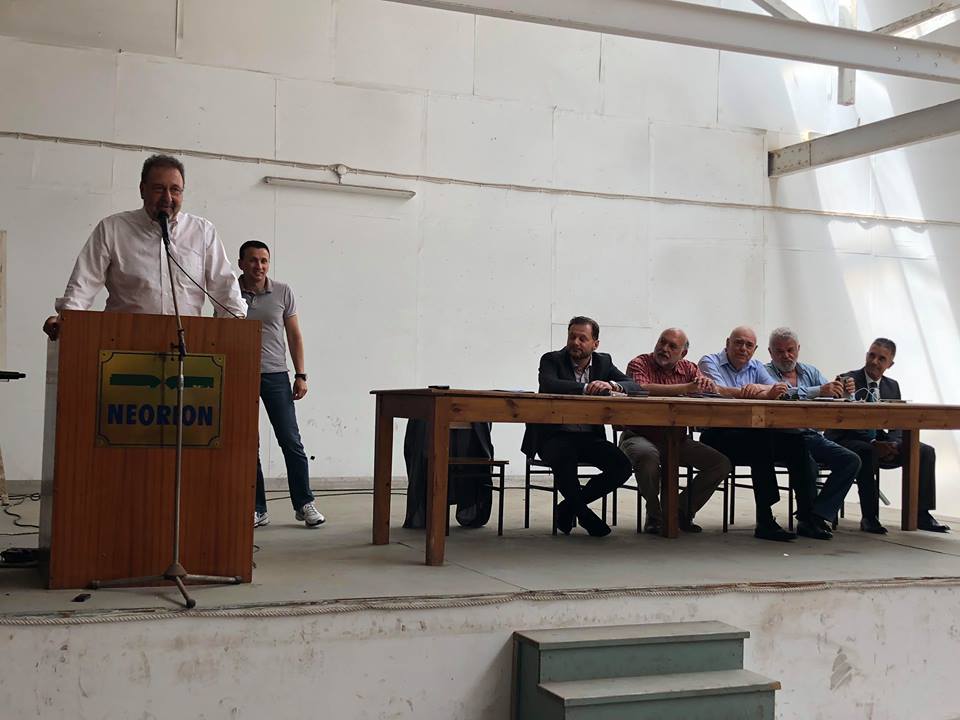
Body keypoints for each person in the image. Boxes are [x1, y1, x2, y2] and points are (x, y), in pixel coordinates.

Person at [43, 154, 245, 339]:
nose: (167, 198)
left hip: (188, 343)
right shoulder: (113, 228)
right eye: (159, 189)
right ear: (142, 189)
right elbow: (83, 284)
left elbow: (224, 285)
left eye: (175, 190)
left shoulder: (202, 231)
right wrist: (66, 319)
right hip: (124, 340)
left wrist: (239, 325)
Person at [698, 326, 829, 542]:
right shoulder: (709, 361)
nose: (743, 348)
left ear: (755, 349)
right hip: (717, 434)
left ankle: (807, 518)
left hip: (752, 435)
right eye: (738, 342)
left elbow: (779, 390)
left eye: (749, 345)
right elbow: (716, 390)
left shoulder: (757, 366)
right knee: (760, 441)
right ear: (727, 343)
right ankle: (765, 519)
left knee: (796, 441)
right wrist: (751, 392)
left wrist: (763, 389)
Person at [520, 316, 638, 537]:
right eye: (572, 337)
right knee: (565, 457)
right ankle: (585, 516)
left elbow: (634, 385)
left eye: (582, 338)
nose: (575, 342)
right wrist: (587, 388)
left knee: (622, 466)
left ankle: (568, 508)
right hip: (553, 435)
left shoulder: (604, 362)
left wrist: (612, 385)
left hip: (588, 436)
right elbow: (550, 384)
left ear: (595, 344)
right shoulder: (552, 359)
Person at [238, 240, 324, 529]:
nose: (259, 266)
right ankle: (257, 508)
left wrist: (301, 374)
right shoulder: (228, 290)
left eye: (264, 260)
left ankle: (304, 504)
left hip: (276, 375)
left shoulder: (283, 291)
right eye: (253, 260)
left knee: (290, 440)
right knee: (249, 444)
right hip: (241, 375)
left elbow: (294, 335)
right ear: (241, 263)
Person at [826, 338, 948, 534]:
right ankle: (870, 517)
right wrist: (875, 443)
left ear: (890, 364)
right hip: (847, 439)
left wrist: (894, 444)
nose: (874, 361)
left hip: (881, 440)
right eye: (871, 355)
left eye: (881, 359)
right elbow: (845, 423)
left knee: (924, 451)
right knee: (867, 451)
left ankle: (921, 514)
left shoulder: (892, 386)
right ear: (866, 355)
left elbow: (897, 422)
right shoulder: (847, 380)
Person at [619, 328, 731, 534]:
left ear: (683, 353)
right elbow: (641, 387)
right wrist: (686, 388)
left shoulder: (689, 368)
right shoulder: (639, 363)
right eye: (662, 342)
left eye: (672, 346)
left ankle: (679, 511)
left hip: (678, 439)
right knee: (647, 456)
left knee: (720, 464)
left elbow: (704, 389)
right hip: (639, 436)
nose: (664, 348)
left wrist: (707, 385)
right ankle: (655, 515)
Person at [764, 327, 860, 527]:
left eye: (790, 350)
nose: (786, 355)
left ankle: (817, 514)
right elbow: (783, 395)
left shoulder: (811, 371)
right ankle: (808, 519)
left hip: (812, 435)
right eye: (779, 351)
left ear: (798, 349)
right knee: (807, 462)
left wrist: (844, 392)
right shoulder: (763, 372)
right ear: (770, 352)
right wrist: (819, 391)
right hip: (781, 437)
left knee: (851, 460)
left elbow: (831, 396)